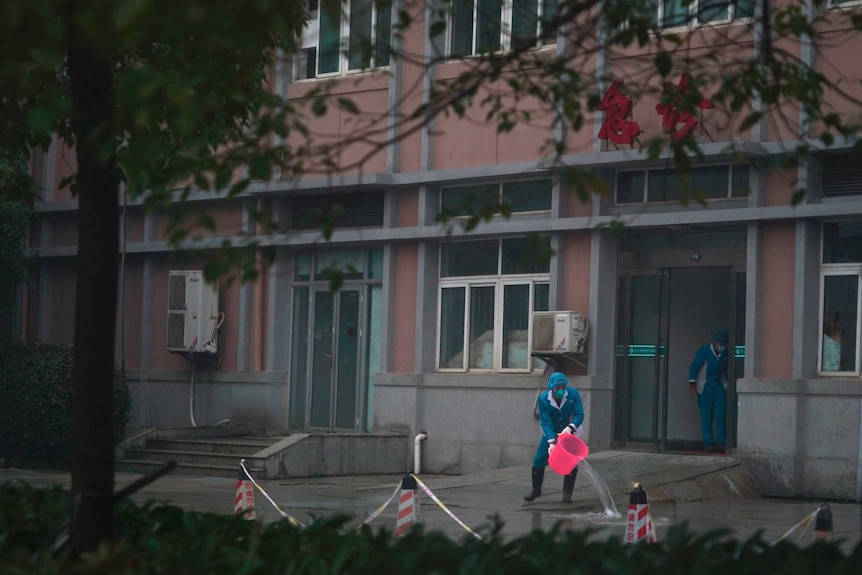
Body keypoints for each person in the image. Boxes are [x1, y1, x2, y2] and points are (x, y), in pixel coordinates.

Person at [524, 371, 585, 503]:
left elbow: (579, 414)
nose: (561, 391)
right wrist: (551, 442)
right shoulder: (544, 399)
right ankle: (536, 490)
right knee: (539, 459)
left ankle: (567, 494)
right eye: (558, 388)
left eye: (563, 387)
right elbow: (545, 422)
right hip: (552, 432)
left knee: (571, 462)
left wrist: (570, 428)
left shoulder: (573, 394)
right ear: (551, 388)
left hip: (569, 432)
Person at [688, 330, 729, 453]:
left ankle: (722, 442)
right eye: (720, 344)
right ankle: (708, 442)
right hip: (704, 386)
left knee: (721, 414)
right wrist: (693, 386)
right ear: (714, 343)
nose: (721, 347)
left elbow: (727, 370)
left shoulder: (726, 353)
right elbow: (694, 368)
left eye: (724, 344)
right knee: (706, 415)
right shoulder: (704, 351)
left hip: (720, 385)